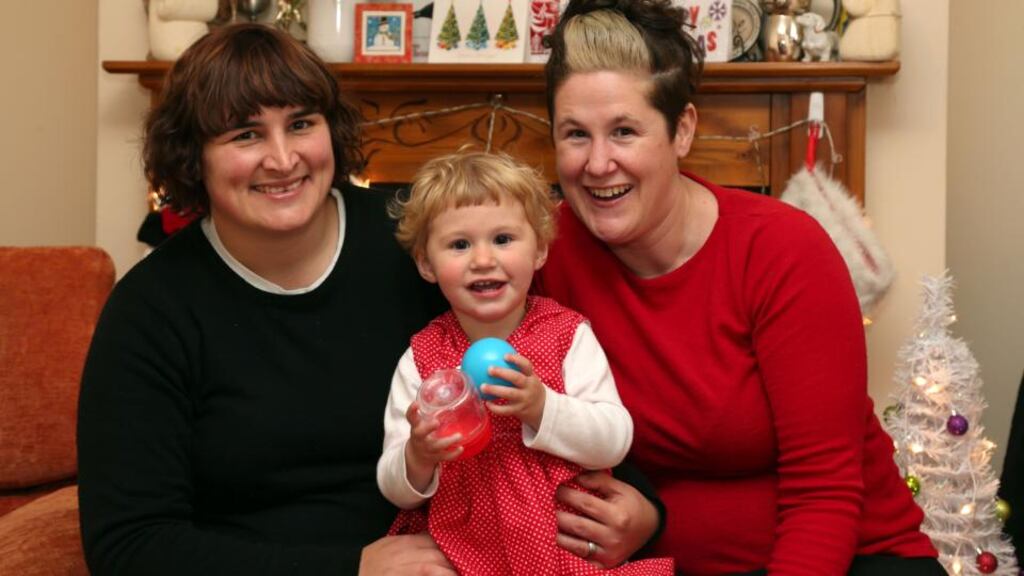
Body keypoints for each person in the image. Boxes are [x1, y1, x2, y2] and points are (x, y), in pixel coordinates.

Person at [535, 0, 948, 574]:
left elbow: (824, 493)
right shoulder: (539, 254)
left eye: (625, 131)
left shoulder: (782, 252)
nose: (598, 163)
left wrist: (657, 522)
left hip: (852, 559)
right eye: (575, 135)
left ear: (682, 130)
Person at [76, 23, 459, 575]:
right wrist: (351, 569)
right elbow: (129, 546)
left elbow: (545, 353)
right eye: (245, 135)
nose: (282, 160)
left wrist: (633, 504)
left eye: (301, 124)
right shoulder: (149, 311)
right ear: (192, 158)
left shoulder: (419, 237)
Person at [378, 150, 674, 574]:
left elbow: (614, 439)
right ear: (427, 263)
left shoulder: (567, 335)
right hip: (462, 555)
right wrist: (418, 455)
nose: (483, 259)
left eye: (503, 239)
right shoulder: (422, 358)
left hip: (561, 550)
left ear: (538, 251)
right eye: (459, 245)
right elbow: (395, 489)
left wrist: (542, 408)